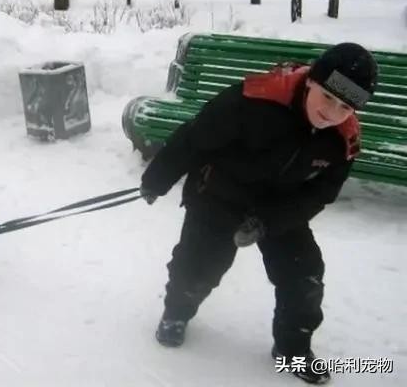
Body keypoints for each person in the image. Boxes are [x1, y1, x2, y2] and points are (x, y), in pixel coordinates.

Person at [139, 43, 378, 385]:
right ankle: (176, 312)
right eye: (327, 97)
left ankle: (293, 349)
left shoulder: (343, 139)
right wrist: (157, 179)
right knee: (198, 265)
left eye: (345, 107)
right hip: (219, 194)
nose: (331, 112)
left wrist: (269, 221)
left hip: (279, 207)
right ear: (311, 81)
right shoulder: (256, 98)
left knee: (304, 275)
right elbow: (195, 137)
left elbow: (320, 193)